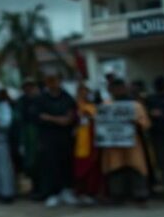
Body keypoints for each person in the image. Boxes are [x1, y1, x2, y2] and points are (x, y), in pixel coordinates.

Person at [101, 78, 152, 206]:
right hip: (113, 144)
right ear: (111, 90)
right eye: (115, 88)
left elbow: (145, 123)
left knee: (136, 167)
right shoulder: (106, 105)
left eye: (121, 88)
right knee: (115, 168)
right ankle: (117, 195)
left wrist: (135, 123)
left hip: (132, 143)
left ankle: (140, 194)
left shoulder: (135, 105)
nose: (118, 91)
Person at [36, 74, 77, 208]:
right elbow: (40, 116)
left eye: (55, 80)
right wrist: (58, 120)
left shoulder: (67, 97)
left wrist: (52, 118)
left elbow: (69, 118)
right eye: (50, 81)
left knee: (66, 163)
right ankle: (53, 194)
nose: (53, 83)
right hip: (48, 137)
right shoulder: (42, 99)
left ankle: (67, 191)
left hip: (65, 137)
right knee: (50, 165)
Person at [72, 83, 101, 205]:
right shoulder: (74, 107)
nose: (83, 94)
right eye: (81, 91)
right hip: (80, 141)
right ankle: (81, 193)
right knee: (81, 167)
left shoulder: (93, 107)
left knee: (93, 166)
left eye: (86, 91)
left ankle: (92, 192)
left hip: (92, 139)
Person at [16, 79, 42, 200]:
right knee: (30, 163)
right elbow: (18, 119)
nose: (28, 89)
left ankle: (42, 188)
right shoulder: (21, 101)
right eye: (26, 87)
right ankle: (35, 188)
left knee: (40, 161)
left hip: (39, 133)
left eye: (31, 86)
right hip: (27, 134)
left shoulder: (41, 99)